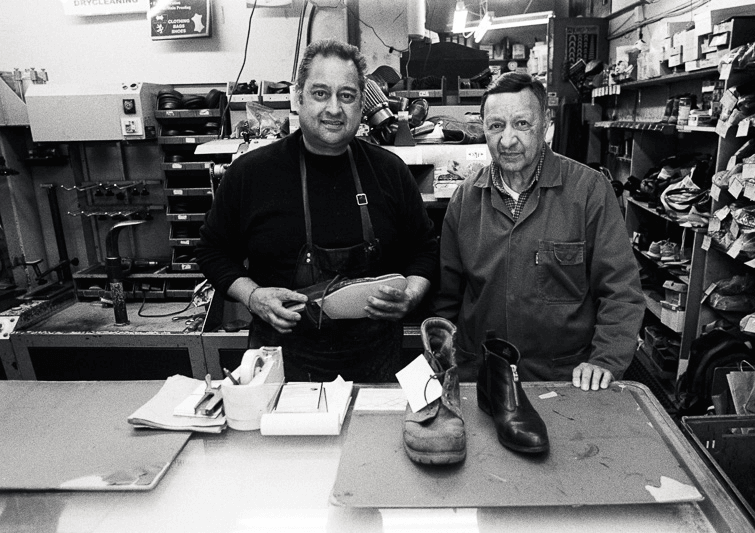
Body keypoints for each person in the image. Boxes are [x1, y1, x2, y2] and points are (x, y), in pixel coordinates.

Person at [196, 39, 437, 382]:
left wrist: (411, 295)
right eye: (321, 93)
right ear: (299, 97)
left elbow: (424, 249)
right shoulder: (252, 174)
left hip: (374, 366)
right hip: (282, 367)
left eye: (347, 95)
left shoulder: (389, 171)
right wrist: (253, 296)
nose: (335, 109)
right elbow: (211, 251)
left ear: (360, 103)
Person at [435, 72, 644, 391]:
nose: (507, 140)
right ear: (484, 130)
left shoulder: (588, 192)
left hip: (563, 378)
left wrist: (605, 360)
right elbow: (447, 297)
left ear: (546, 124)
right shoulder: (465, 199)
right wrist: (442, 359)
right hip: (480, 374)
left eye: (521, 124)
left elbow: (620, 289)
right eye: (495, 126)